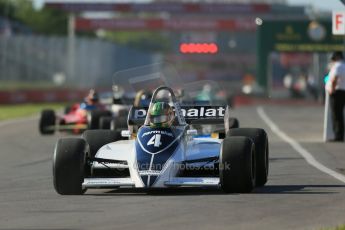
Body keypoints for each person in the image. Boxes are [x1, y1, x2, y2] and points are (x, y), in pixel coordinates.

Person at [327, 51, 345, 142]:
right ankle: (340, 134)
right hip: (342, 91)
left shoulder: (338, 66)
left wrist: (332, 89)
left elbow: (334, 79)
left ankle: (338, 135)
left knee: (336, 115)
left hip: (338, 92)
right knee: (340, 114)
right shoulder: (343, 65)